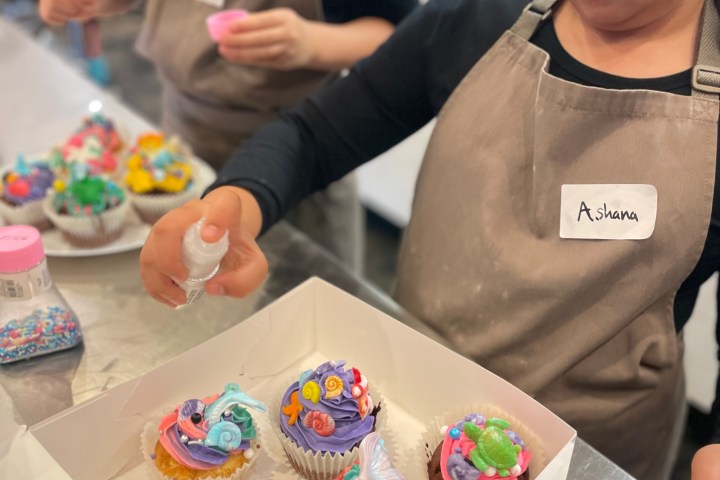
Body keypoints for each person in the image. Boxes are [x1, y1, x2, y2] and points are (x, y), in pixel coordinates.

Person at [139, 0, 720, 478]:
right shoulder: (479, 20)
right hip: (408, 401)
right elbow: (313, 134)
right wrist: (238, 202)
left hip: (589, 447)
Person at [38, 0, 418, 272]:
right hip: (182, 147)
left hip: (301, 161)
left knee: (304, 297)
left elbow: (403, 40)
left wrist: (312, 42)